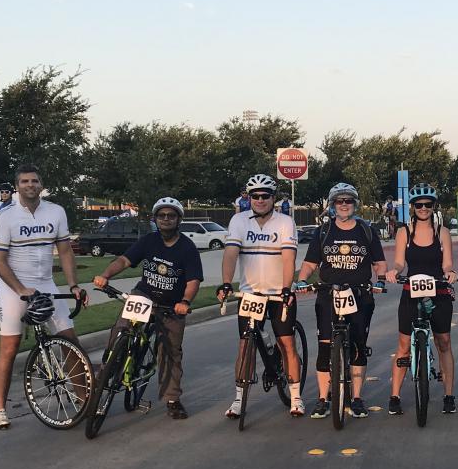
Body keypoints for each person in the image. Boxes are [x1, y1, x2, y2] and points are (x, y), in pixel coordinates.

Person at [0, 164, 88, 429]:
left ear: (41, 185)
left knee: (70, 342)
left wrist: (74, 285)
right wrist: (21, 289)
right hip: (13, 288)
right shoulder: (5, 215)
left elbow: (65, 251)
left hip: (46, 284)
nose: (29, 185)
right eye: (24, 181)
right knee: (9, 348)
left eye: (34, 181)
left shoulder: (55, 212)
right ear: (17, 186)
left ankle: (82, 397)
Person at [93, 197, 203, 419]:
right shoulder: (149, 240)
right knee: (121, 329)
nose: (166, 219)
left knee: (170, 351)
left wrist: (185, 302)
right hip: (144, 295)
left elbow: (193, 281)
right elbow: (124, 260)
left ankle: (172, 399)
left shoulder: (187, 247)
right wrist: (105, 275)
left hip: (172, 304)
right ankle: (109, 369)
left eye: (171, 216)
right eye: (161, 215)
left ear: (179, 219)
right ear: (155, 219)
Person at [296, 183, 387, 419]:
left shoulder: (366, 230)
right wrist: (302, 280)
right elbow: (309, 263)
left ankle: (356, 398)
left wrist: (381, 281)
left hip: (359, 294)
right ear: (332, 205)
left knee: (358, 345)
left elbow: (379, 262)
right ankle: (323, 399)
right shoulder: (324, 231)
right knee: (325, 346)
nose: (344, 204)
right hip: (329, 293)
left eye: (348, 201)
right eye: (339, 201)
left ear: (355, 204)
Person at [217, 174, 303, 418]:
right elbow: (231, 254)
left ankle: (296, 397)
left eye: (265, 196)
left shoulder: (285, 222)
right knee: (245, 345)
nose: (260, 200)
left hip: (279, 294)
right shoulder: (238, 221)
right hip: (251, 294)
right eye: (255, 196)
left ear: (273, 198)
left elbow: (288, 258)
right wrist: (225, 283)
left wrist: (287, 287)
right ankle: (238, 399)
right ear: (249, 198)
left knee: (287, 343)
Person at [385, 183, 458, 415]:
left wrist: (450, 272)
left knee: (443, 342)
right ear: (413, 207)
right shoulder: (403, 232)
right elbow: (399, 261)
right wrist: (394, 271)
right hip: (411, 290)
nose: (423, 208)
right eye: (419, 205)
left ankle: (448, 395)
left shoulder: (442, 232)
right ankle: (394, 395)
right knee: (404, 346)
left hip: (438, 290)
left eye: (428, 205)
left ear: (433, 206)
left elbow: (447, 262)